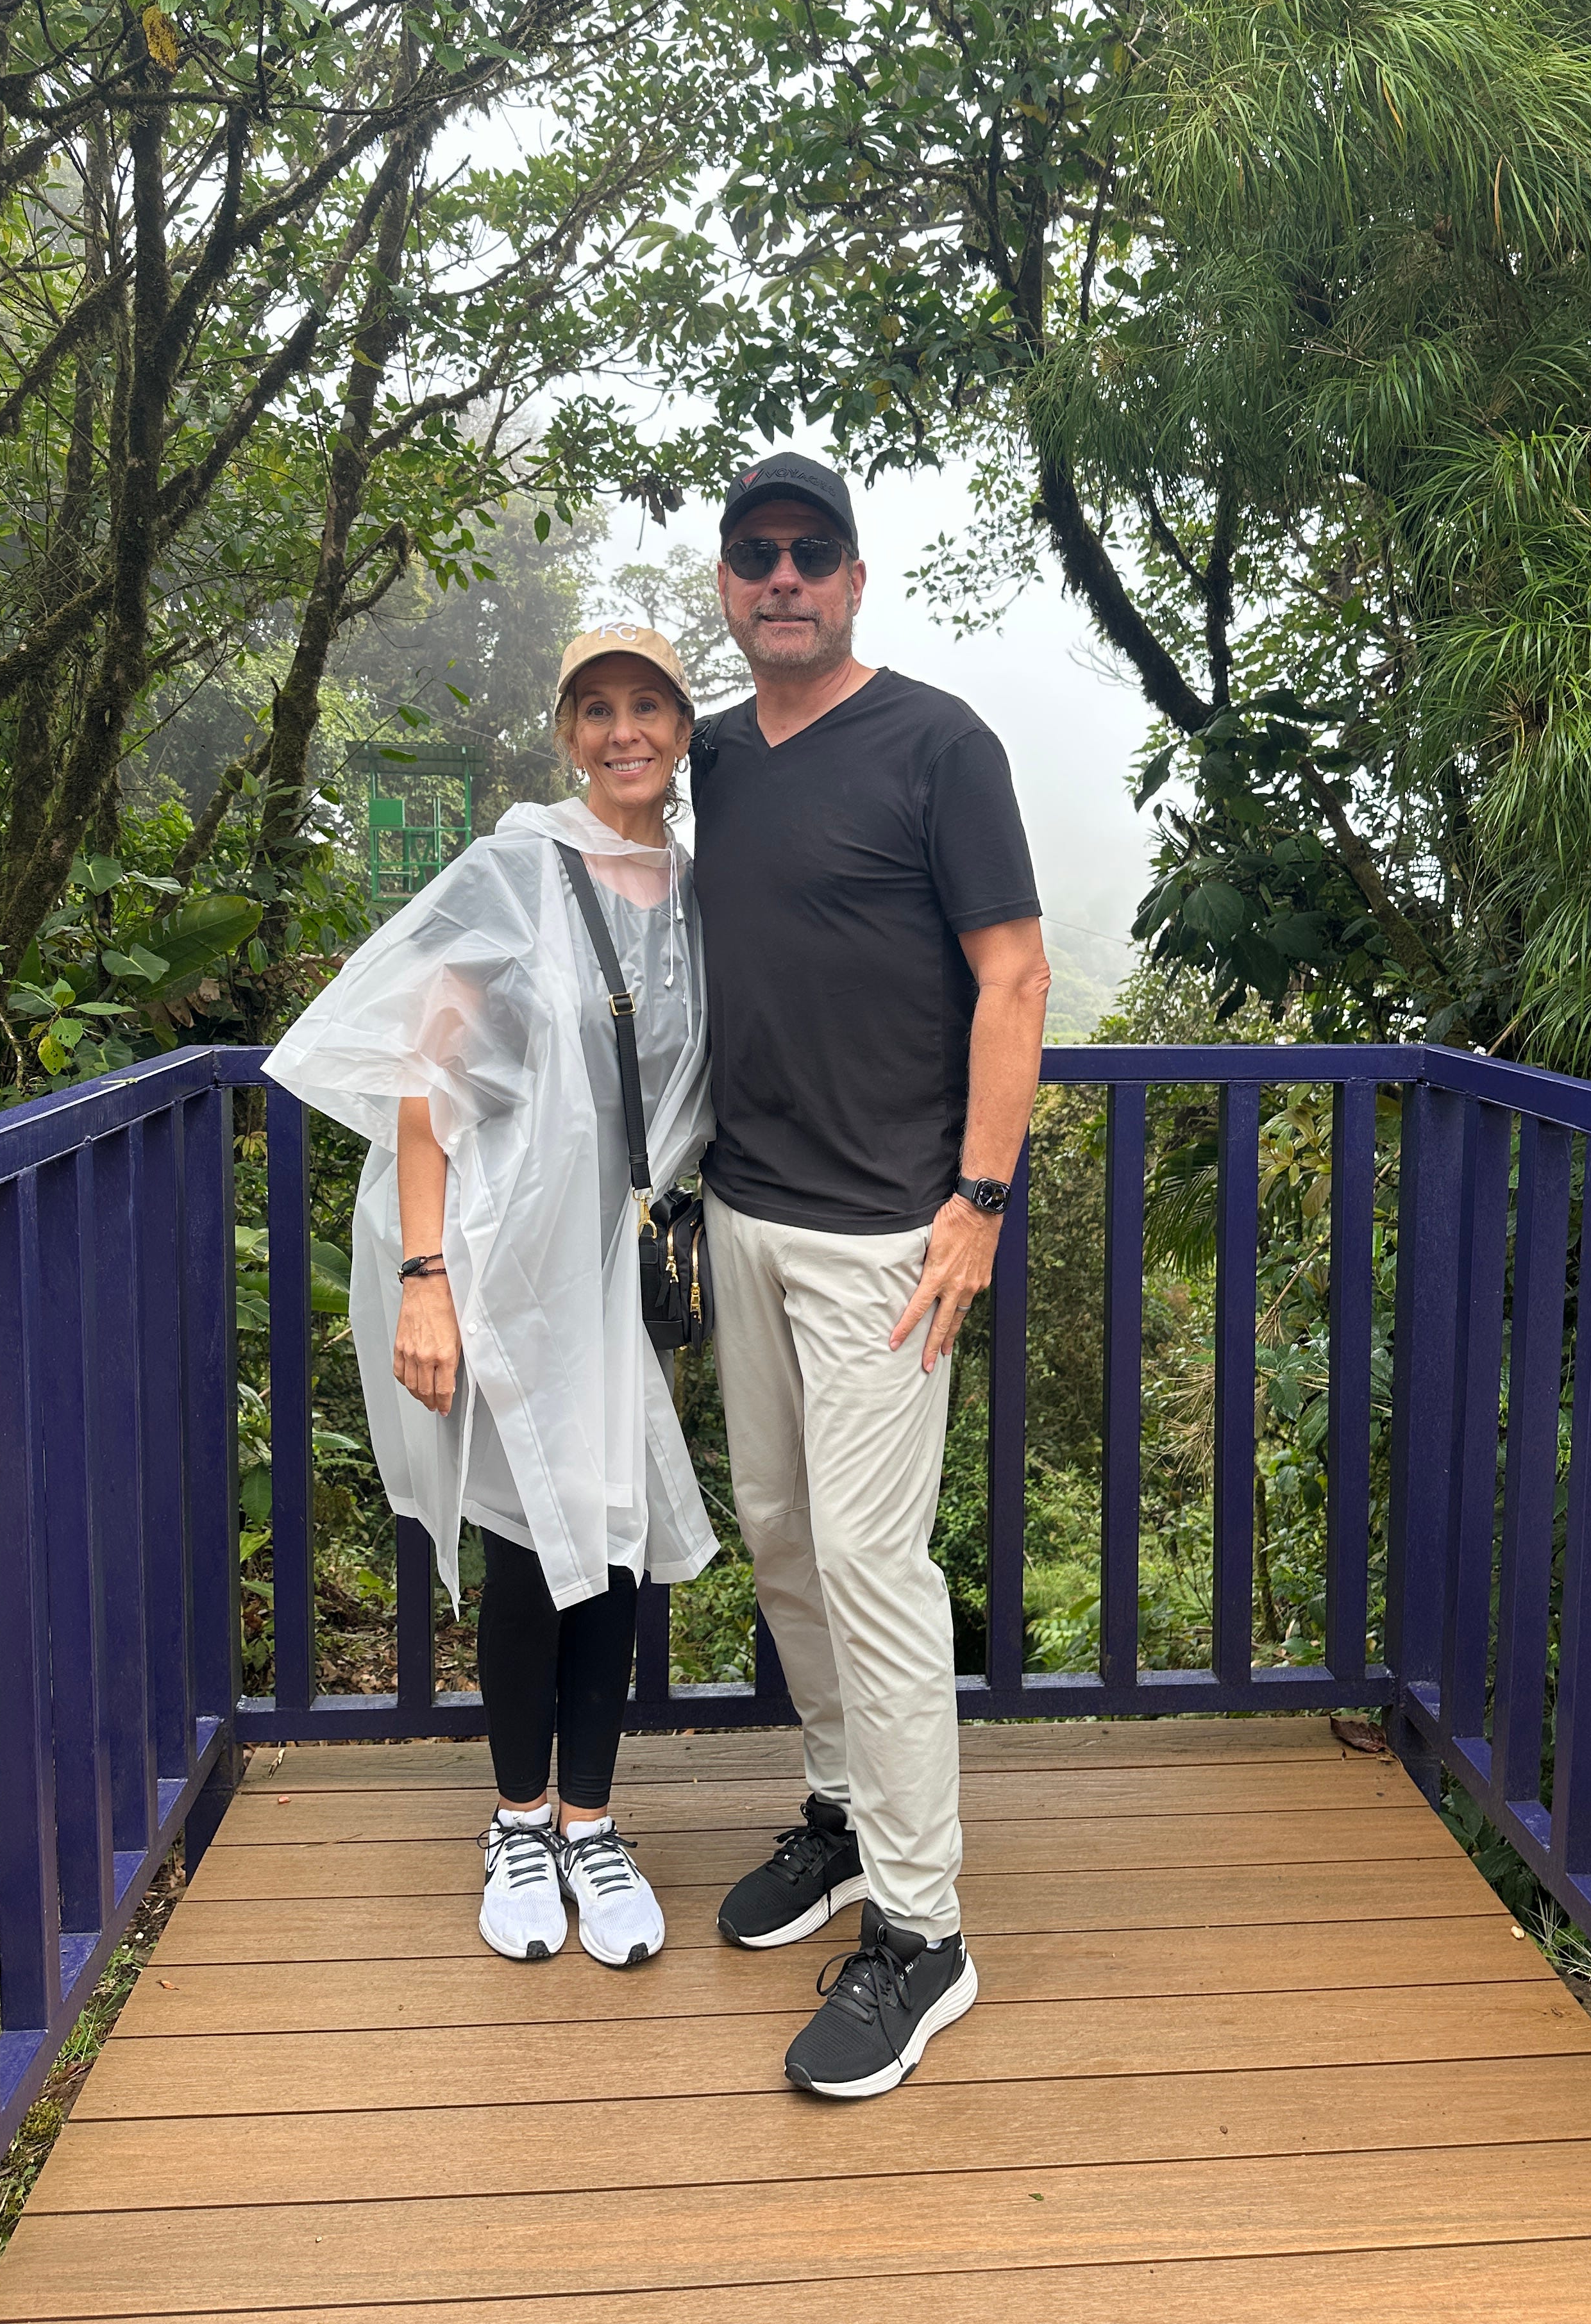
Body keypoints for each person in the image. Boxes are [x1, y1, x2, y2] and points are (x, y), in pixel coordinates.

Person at [265, 626, 716, 1971]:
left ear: (683, 729)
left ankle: (593, 1823)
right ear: (569, 732)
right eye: (599, 709)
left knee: (614, 1539)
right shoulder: (517, 871)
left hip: (625, 1264)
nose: (625, 732)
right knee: (527, 1546)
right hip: (508, 1258)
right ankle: (520, 1821)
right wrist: (426, 1279)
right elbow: (428, 1082)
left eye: (649, 706)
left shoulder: (699, 893)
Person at [689, 451, 1050, 2097]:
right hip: (745, 1214)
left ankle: (923, 1929)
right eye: (756, 553)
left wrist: (979, 1200)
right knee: (780, 1536)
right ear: (728, 582)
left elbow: (1014, 975)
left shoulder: (937, 744)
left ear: (852, 578)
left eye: (811, 553)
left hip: (890, 1240)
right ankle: (841, 1814)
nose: (784, 577)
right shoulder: (711, 758)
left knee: (874, 1565)